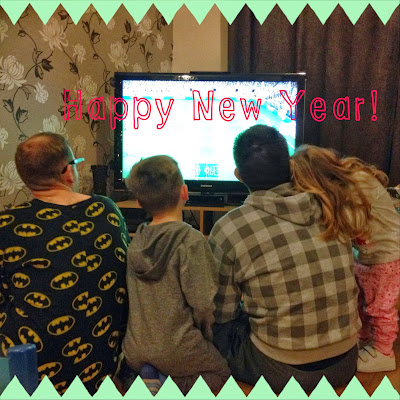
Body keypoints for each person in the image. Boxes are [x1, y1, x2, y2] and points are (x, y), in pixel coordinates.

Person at [208, 125, 360, 393]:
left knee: (219, 328)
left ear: (238, 175)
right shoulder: (327, 204)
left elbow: (221, 313)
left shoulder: (230, 227)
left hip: (280, 370)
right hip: (345, 362)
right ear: (290, 166)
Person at [0, 133, 129, 395]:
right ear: (68, 172)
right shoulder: (107, 210)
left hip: (28, 367)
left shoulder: (6, 224)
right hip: (100, 366)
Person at [119, 155, 230, 395]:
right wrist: (206, 337)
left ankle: (141, 378)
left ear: (139, 201)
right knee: (222, 375)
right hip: (177, 347)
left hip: (136, 347)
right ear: (184, 192)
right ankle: (163, 383)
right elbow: (203, 302)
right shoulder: (191, 241)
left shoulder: (137, 239)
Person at [290, 144, 400, 373]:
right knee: (361, 298)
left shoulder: (356, 185)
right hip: (367, 254)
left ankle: (384, 352)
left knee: (380, 306)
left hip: (387, 255)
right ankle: (363, 337)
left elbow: (351, 226)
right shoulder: (347, 181)